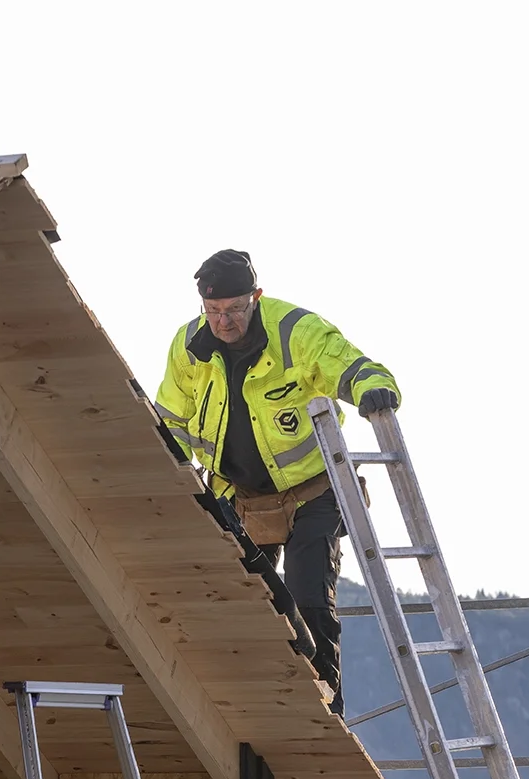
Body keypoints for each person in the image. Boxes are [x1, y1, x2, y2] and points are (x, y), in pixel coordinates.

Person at [153, 248, 400, 715]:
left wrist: (371, 391)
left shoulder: (295, 332)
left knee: (309, 595)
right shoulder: (189, 347)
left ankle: (327, 708)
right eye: (213, 312)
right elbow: (169, 422)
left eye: (234, 310)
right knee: (244, 603)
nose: (223, 322)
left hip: (312, 492)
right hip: (236, 496)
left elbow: (351, 366)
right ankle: (258, 709)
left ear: (256, 297)